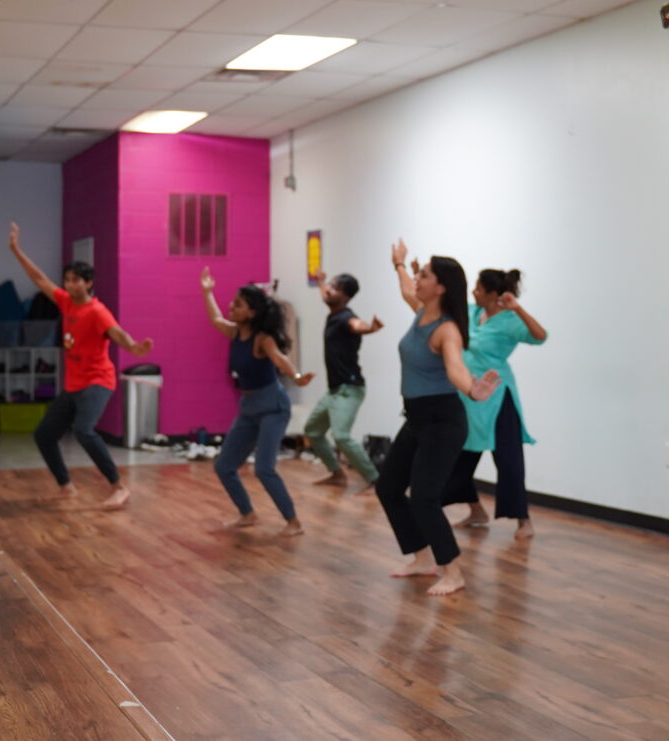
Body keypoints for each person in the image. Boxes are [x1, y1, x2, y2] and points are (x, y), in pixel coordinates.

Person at [378, 240, 499, 597]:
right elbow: (404, 287)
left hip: (442, 421)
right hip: (416, 419)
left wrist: (472, 390)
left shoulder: (447, 329)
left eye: (424, 274)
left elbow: (456, 368)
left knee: (424, 497)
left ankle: (453, 571)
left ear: (441, 286)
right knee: (388, 488)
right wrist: (398, 264)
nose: (417, 277)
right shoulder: (421, 311)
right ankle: (421, 559)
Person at [9, 225, 152, 509]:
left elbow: (116, 332)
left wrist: (133, 346)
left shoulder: (97, 311)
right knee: (44, 435)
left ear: (88, 283)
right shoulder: (66, 303)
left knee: (84, 430)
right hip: (73, 384)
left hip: (98, 381)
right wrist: (15, 250)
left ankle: (119, 486)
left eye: (76, 280)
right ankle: (66, 487)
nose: (70, 284)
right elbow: (39, 279)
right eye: (67, 279)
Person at [200, 268, 311, 536]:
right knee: (224, 467)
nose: (231, 306)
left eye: (237, 304)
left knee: (264, 468)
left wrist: (296, 375)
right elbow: (215, 318)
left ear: (252, 312)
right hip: (249, 408)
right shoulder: (235, 332)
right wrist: (207, 292)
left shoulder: (263, 339)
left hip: (273, 407)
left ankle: (293, 521)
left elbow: (279, 359)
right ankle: (247, 514)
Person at [442, 268, 548, 539]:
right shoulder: (473, 313)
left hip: (499, 397)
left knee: (508, 459)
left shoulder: (511, 322)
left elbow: (540, 336)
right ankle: (476, 510)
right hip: (469, 395)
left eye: (478, 289)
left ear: (492, 294)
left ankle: (524, 521)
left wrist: (518, 308)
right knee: (460, 456)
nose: (473, 292)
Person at [305, 273, 384, 493]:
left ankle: (376, 480)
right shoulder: (334, 312)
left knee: (340, 436)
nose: (328, 290)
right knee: (312, 431)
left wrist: (371, 328)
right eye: (329, 286)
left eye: (334, 288)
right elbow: (325, 294)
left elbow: (357, 325)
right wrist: (321, 282)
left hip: (349, 390)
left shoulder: (346, 317)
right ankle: (337, 474)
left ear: (346, 296)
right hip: (334, 391)